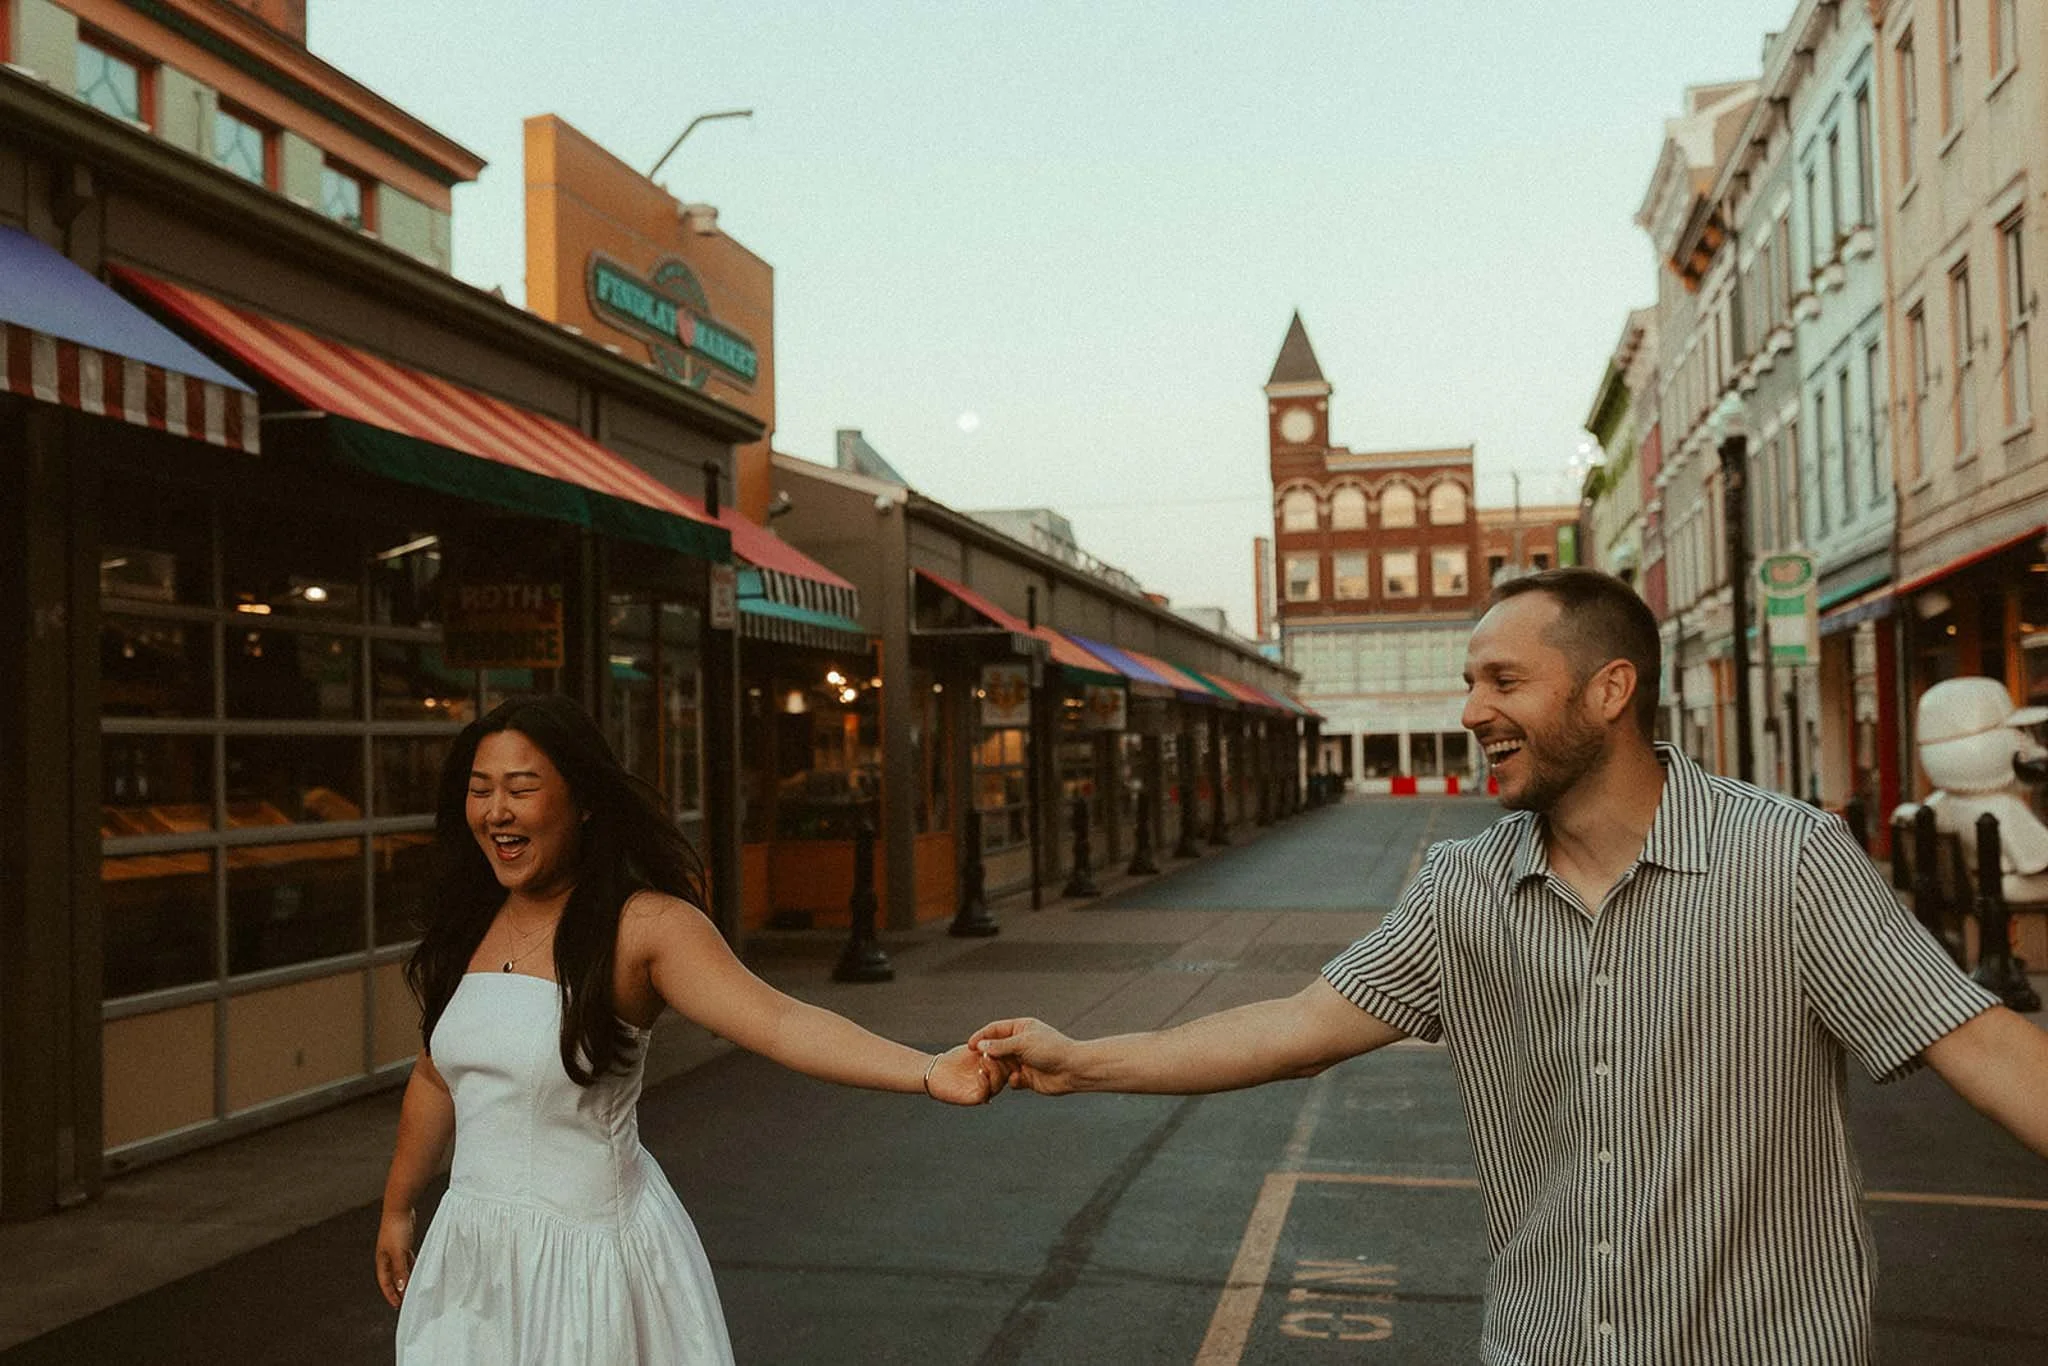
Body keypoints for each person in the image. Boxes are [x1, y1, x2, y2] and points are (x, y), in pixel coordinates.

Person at [973, 568, 2048, 1363]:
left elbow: (1982, 1044)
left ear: (1609, 689)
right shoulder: (1464, 887)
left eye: (1503, 679)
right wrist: (1079, 1060)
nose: (1470, 709)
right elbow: (1295, 1027)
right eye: (1467, 681)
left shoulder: (1787, 857)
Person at [376, 694, 1004, 1363]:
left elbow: (781, 1022)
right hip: (471, 1260)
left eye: (521, 789)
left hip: (589, 1269)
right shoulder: (467, 923)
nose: (496, 811)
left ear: (583, 801)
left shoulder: (643, 927)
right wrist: (398, 1206)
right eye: (480, 790)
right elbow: (436, 1076)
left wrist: (928, 1070)